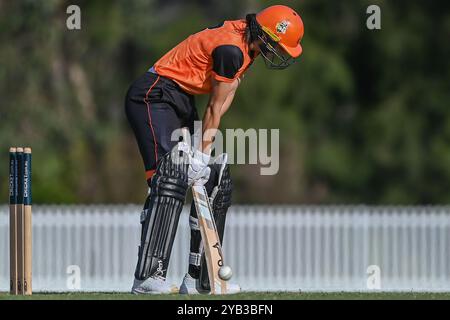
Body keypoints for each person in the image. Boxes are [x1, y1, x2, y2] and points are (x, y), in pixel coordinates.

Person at [125, 5, 304, 294]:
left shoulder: (248, 48)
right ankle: (148, 277)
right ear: (265, 34)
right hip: (154, 95)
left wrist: (202, 156)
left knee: (211, 179)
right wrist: (201, 151)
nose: (278, 53)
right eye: (277, 45)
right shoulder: (231, 49)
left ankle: (200, 280)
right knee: (169, 177)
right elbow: (214, 106)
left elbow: (226, 94)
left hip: (181, 99)